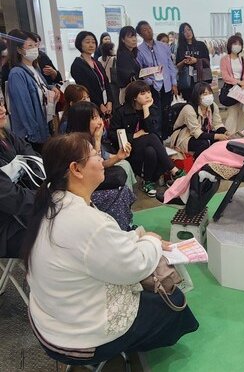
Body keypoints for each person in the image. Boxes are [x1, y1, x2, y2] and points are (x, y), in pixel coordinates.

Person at [22, 133, 198, 367]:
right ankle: (125, 351)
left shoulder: (52, 202)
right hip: (77, 339)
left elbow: (103, 245)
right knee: (174, 300)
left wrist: (139, 235)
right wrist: (152, 242)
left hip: (49, 322)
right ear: (76, 169)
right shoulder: (86, 221)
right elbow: (134, 267)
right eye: (95, 155)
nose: (101, 159)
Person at [109, 81, 185, 197]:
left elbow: (152, 130)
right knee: (152, 138)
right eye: (143, 93)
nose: (148, 96)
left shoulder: (152, 108)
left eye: (149, 92)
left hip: (147, 147)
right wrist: (134, 136)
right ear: (134, 97)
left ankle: (148, 182)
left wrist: (145, 109)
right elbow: (112, 134)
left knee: (151, 150)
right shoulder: (121, 111)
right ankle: (174, 170)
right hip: (127, 148)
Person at [6, 29, 60, 152]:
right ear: (19, 50)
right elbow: (24, 108)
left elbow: (41, 87)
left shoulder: (35, 68)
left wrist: (52, 88)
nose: (34, 49)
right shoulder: (17, 73)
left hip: (43, 128)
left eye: (35, 45)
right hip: (31, 136)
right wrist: (35, 134)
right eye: (30, 46)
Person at [66, 101, 136, 193]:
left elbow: (101, 164)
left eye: (99, 116)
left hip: (93, 177)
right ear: (82, 122)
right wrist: (97, 140)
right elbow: (95, 169)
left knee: (122, 167)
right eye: (94, 118)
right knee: (119, 174)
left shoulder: (91, 136)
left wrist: (118, 157)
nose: (100, 122)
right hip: (83, 186)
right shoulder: (76, 144)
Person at [0, 103, 40, 258]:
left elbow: (32, 156)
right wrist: (45, 196)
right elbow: (12, 198)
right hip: (7, 227)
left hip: (23, 209)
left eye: (1, 102)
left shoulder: (6, 134)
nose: (3, 109)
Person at [136, 21, 178, 139]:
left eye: (149, 28)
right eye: (145, 30)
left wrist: (174, 82)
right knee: (155, 113)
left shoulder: (163, 46)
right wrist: (150, 82)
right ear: (140, 34)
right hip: (151, 86)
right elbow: (140, 71)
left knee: (166, 111)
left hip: (166, 84)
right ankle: (157, 137)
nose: (148, 31)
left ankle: (166, 137)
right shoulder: (139, 50)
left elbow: (170, 65)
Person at [170, 82, 228, 159]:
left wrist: (226, 132)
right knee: (204, 143)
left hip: (202, 132)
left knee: (221, 140)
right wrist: (217, 136)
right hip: (184, 136)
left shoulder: (213, 106)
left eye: (210, 93)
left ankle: (213, 160)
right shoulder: (189, 109)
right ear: (197, 96)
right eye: (205, 94)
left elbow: (217, 123)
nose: (208, 96)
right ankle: (196, 161)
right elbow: (197, 132)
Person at [70, 31, 112, 119]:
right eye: (87, 42)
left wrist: (109, 101)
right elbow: (86, 88)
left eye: (93, 42)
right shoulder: (77, 65)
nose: (91, 45)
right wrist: (100, 104)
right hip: (90, 105)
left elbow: (106, 82)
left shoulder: (97, 63)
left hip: (105, 104)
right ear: (80, 44)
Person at [220, 34, 244, 134]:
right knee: (232, 113)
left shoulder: (243, 60)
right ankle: (229, 135)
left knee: (243, 113)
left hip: (242, 89)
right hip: (231, 89)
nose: (237, 46)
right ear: (230, 45)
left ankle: (241, 135)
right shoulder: (224, 59)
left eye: (239, 44)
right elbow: (225, 76)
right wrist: (238, 82)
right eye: (235, 44)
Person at [175, 22, 212, 102]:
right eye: (184, 31)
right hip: (187, 81)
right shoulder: (180, 48)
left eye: (189, 29)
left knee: (203, 101)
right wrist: (184, 62)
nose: (187, 32)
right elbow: (177, 66)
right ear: (182, 34)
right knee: (190, 103)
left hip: (201, 80)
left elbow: (207, 62)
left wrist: (196, 60)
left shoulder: (201, 45)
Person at [116, 25, 141, 106]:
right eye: (130, 37)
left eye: (135, 36)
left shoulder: (132, 54)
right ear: (123, 39)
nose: (134, 39)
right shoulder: (123, 55)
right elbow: (128, 75)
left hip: (134, 90)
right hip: (129, 91)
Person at [98, 42, 119, 107]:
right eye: (113, 49)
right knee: (115, 100)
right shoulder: (113, 58)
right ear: (110, 50)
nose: (114, 50)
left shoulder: (99, 58)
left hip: (103, 83)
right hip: (112, 82)